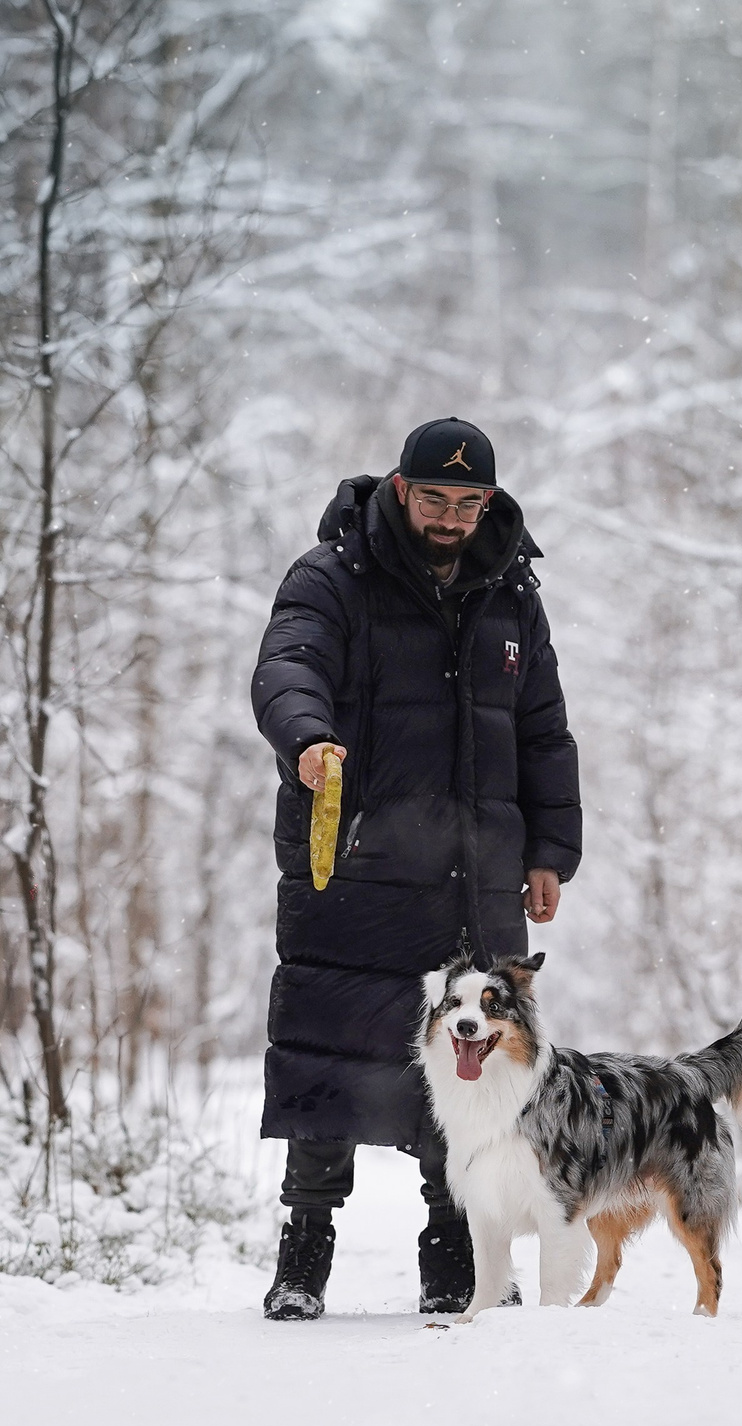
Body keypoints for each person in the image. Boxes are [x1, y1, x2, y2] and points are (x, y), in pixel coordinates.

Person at [248, 418, 582, 1319]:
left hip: (473, 878)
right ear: (400, 487)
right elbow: (288, 666)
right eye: (433, 497)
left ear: (488, 502)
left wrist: (551, 849)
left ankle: (454, 1261)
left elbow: (542, 728)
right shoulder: (334, 576)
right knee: (328, 1053)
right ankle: (302, 1259)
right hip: (353, 864)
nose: (449, 517)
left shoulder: (512, 592)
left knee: (471, 1067)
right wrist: (309, 740)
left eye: (467, 502)